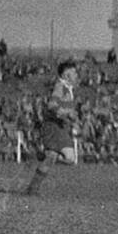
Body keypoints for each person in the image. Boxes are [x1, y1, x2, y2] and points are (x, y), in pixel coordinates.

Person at [25, 60, 80, 194]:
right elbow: (51, 105)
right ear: (67, 74)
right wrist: (67, 113)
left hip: (61, 127)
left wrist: (71, 117)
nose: (77, 75)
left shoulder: (67, 88)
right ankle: (33, 188)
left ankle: (33, 186)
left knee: (65, 159)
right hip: (53, 127)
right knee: (64, 158)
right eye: (74, 72)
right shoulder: (60, 87)